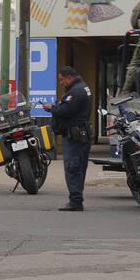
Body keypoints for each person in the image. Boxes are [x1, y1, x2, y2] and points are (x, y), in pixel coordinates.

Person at [42, 67, 92, 211]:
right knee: (79, 167)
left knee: (73, 167)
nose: (61, 82)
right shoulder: (83, 88)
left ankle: (75, 201)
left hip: (75, 136)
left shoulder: (76, 92)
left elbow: (65, 111)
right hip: (81, 134)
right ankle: (76, 199)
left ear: (69, 77)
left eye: (61, 79)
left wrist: (51, 107)